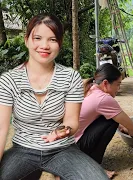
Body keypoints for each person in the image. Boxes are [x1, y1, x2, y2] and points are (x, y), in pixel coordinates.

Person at [0, 14, 109, 180]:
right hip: (22, 149)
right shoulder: (9, 80)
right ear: (27, 40)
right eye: (37, 38)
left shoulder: (71, 77)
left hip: (62, 149)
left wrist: (63, 132)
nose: (44, 46)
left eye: (52, 39)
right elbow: (1, 129)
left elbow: (72, 122)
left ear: (60, 42)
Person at [75, 63, 133, 178]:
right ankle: (93, 167)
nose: (118, 89)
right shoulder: (103, 99)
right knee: (112, 121)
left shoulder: (90, 88)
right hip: (72, 150)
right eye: (118, 84)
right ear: (105, 83)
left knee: (111, 118)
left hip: (64, 145)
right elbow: (132, 128)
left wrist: (122, 127)